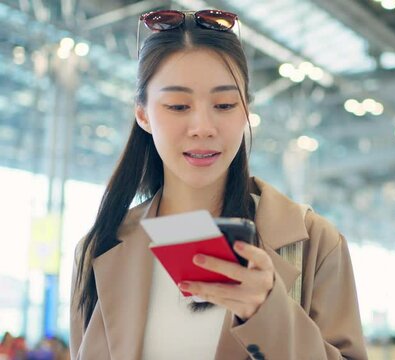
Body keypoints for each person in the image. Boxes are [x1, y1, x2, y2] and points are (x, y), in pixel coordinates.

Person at [69, 9, 367, 360]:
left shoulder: (313, 242)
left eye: (224, 105)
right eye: (178, 106)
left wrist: (268, 314)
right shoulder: (99, 249)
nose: (203, 126)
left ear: (245, 112)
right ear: (143, 115)